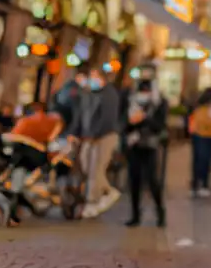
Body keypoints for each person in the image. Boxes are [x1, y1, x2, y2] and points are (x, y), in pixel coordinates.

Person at [72, 68, 122, 218]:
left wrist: (94, 134)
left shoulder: (109, 94)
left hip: (103, 136)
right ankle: (108, 191)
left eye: (94, 77)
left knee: (96, 169)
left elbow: (107, 118)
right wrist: (76, 132)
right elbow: (82, 114)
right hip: (89, 136)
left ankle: (91, 202)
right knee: (86, 165)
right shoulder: (89, 93)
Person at [123, 78, 168, 227]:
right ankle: (135, 215)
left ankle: (160, 213)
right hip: (134, 145)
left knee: (152, 180)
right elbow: (125, 124)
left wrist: (145, 118)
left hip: (150, 145)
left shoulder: (158, 104)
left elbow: (159, 126)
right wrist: (131, 123)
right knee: (134, 181)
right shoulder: (131, 103)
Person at [188, 88, 211, 197]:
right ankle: (203, 184)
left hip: (199, 136)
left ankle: (196, 184)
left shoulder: (197, 107)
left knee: (198, 160)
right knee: (205, 160)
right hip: (207, 136)